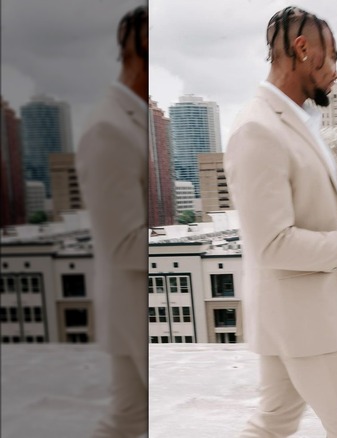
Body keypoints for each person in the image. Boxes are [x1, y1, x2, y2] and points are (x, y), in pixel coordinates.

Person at [224, 6, 337, 438]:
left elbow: (328, 225)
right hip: (308, 326)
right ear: (303, 49)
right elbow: (272, 245)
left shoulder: (298, 124)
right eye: (332, 56)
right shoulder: (256, 129)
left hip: (300, 320)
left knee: (273, 423)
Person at [75, 5, 149, 437]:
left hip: (129, 306)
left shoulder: (130, 120)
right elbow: (122, 242)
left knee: (127, 418)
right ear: (137, 54)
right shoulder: (108, 129)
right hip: (131, 305)